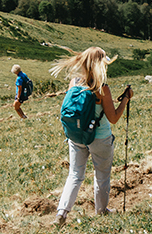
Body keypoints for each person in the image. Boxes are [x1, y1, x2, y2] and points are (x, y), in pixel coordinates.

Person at [50, 47, 133, 226]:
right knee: (102, 175)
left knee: (75, 174)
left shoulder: (74, 82)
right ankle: (101, 211)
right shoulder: (102, 88)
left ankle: (62, 213)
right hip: (99, 138)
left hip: (76, 137)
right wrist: (125, 99)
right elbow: (113, 118)